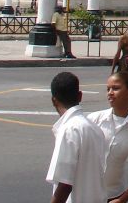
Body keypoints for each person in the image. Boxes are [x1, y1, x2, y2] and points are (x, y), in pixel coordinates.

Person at [87, 72, 128, 203]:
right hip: (85, 194)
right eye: (108, 89)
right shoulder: (93, 120)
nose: (110, 93)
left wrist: (122, 199)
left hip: (113, 196)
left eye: (115, 88)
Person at [45, 71, 106, 203]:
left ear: (53, 100)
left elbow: (65, 184)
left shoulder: (69, 130)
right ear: (80, 96)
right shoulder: (95, 129)